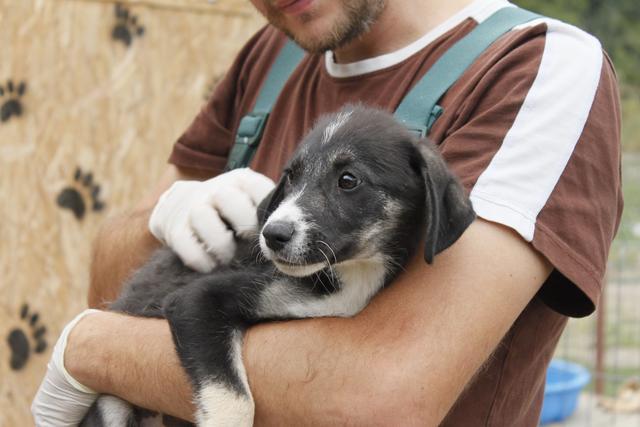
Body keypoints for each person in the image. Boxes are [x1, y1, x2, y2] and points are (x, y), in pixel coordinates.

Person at [32, 0, 622, 425]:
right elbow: (115, 282)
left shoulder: (534, 67)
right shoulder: (273, 52)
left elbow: (383, 399)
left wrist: (94, 350)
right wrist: (165, 214)